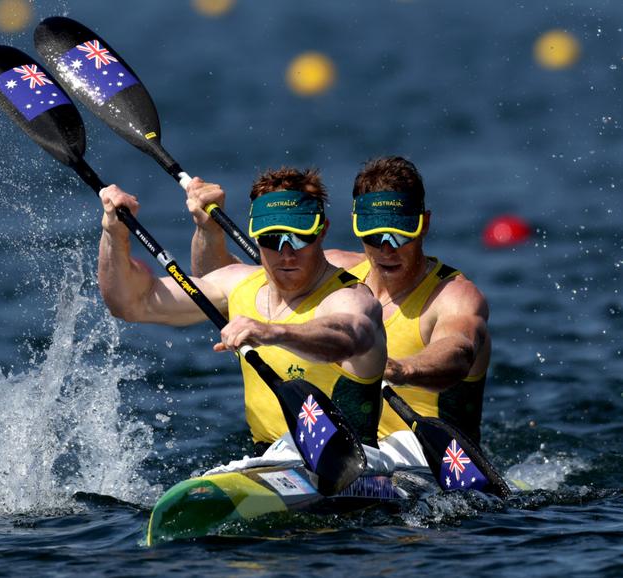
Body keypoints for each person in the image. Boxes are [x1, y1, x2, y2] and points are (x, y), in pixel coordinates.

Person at [187, 157, 490, 467]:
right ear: (357, 225)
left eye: (400, 234)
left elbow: (458, 353)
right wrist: (208, 230)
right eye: (374, 235)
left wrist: (401, 370)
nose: (387, 249)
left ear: (424, 224)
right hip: (346, 454)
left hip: (431, 460)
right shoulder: (332, 272)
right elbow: (223, 290)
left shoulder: (455, 296)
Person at [98, 167, 387, 456]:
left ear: (321, 231)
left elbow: (351, 335)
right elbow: (131, 303)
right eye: (272, 239)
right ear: (254, 234)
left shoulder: (348, 296)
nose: (287, 254)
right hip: (269, 459)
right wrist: (114, 232)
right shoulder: (237, 284)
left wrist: (273, 332)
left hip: (352, 465)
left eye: (300, 237)